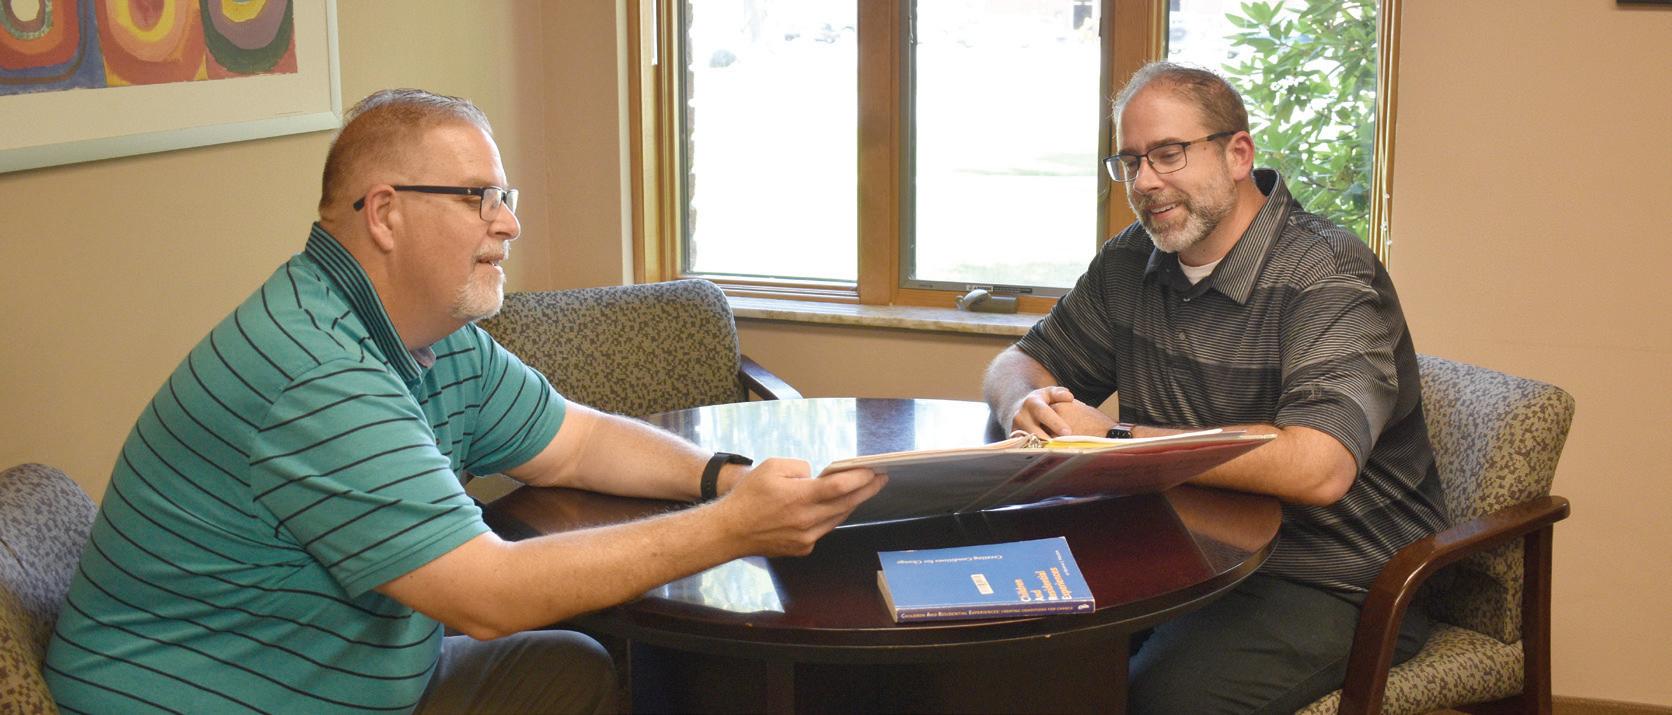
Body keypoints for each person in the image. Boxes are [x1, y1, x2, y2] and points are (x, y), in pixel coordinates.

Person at [42, 88, 885, 714]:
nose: (507, 223)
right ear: (384, 215)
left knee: (575, 670)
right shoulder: (314, 370)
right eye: (478, 196)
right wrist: (732, 528)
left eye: (505, 198)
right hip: (199, 699)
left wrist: (726, 478)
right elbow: (489, 594)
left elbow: (577, 441)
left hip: (360, 678)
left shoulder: (430, 333)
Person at [982, 62, 1448, 714]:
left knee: (1158, 700)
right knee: (1010, 651)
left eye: (1169, 153)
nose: (1145, 182)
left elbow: (1320, 467)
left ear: (1238, 154)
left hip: (1332, 573)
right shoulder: (1129, 261)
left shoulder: (1329, 275)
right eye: (1130, 161)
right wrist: (1024, 403)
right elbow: (1019, 362)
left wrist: (1114, 439)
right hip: (1179, 548)